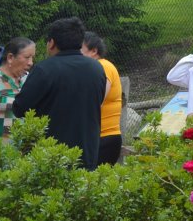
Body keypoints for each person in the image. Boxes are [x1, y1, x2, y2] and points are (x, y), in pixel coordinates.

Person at [11, 16, 108, 169]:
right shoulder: (96, 69)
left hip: (50, 154)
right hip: (86, 152)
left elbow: (20, 108)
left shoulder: (44, 69)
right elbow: (99, 100)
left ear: (51, 43)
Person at [82, 31, 124, 166]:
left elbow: (96, 100)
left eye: (79, 49)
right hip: (100, 137)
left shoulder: (103, 66)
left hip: (104, 137)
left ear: (94, 51)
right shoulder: (97, 67)